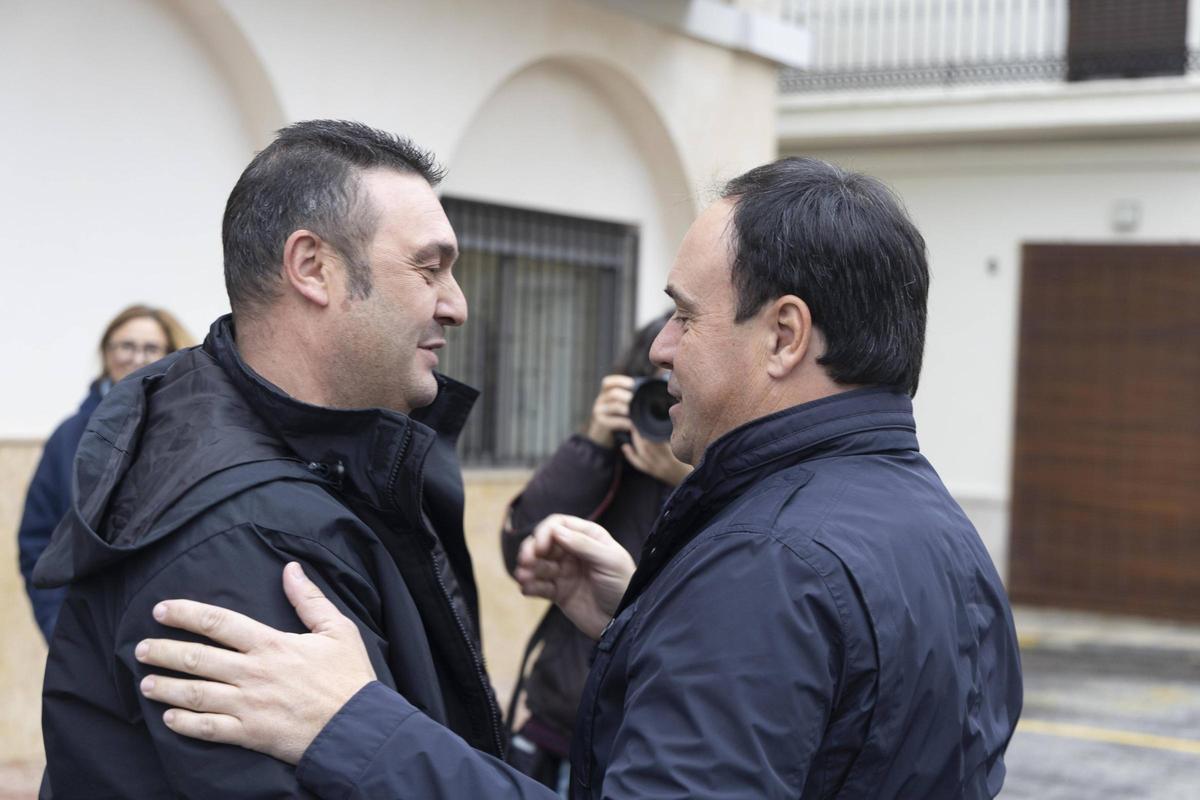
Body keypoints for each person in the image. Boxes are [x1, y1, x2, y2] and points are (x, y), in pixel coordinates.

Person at [135, 157, 1024, 798]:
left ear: (785, 336)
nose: (662, 348)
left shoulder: (771, 567)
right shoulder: (940, 531)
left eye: (683, 316)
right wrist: (654, 620)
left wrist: (353, 726)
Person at [32, 120, 502, 798]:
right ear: (313, 268)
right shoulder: (246, 538)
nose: (455, 305)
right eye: (429, 268)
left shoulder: (312, 461)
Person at [502, 312, 688, 793]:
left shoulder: (722, 481)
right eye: (655, 388)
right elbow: (521, 549)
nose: (666, 406)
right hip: (557, 725)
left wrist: (686, 482)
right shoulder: (611, 464)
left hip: (641, 738)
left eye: (678, 389)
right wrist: (592, 440)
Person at [17, 304, 192, 641]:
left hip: (171, 630)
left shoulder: (191, 430)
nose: (136, 357)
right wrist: (58, 626)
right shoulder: (68, 437)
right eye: (125, 346)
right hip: (87, 635)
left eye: (150, 348)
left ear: (170, 354)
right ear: (106, 352)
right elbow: (37, 539)